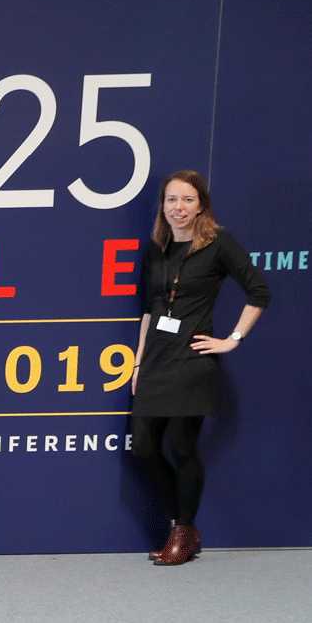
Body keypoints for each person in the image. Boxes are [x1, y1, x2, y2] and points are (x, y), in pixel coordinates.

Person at [130, 170, 270, 566]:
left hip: (193, 361)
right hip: (155, 360)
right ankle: (185, 528)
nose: (178, 208)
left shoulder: (218, 244)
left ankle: (181, 532)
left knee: (181, 446)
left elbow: (260, 291)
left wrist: (232, 339)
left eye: (187, 200)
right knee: (142, 446)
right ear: (163, 206)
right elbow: (149, 309)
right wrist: (139, 361)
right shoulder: (156, 249)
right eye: (171, 200)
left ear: (201, 205)